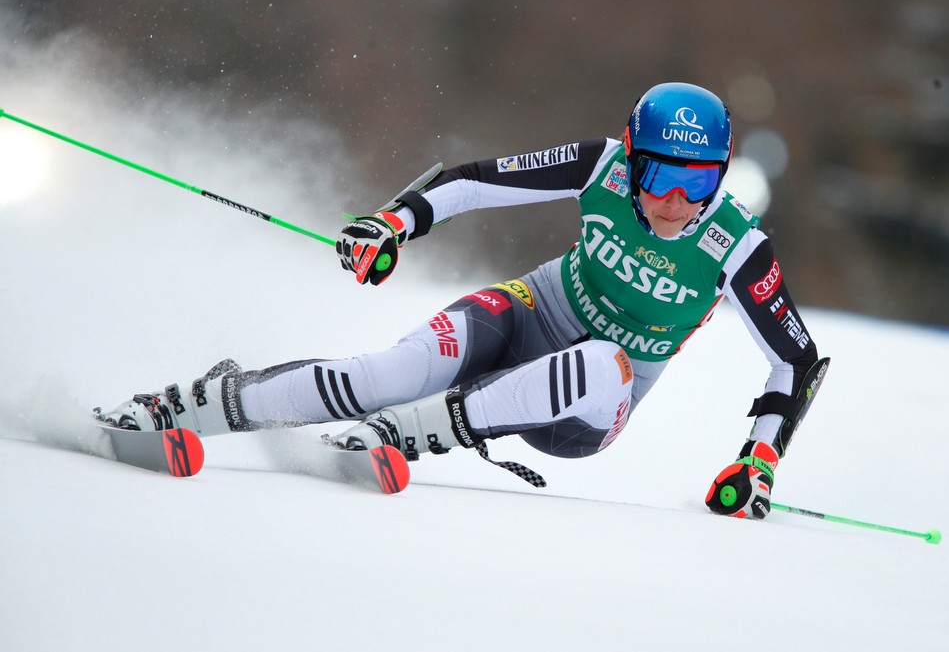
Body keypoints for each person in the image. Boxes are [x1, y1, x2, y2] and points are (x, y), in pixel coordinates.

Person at [101, 82, 828, 518]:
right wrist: (396, 221)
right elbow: (482, 179)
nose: (675, 199)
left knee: (606, 360)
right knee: (386, 373)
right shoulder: (602, 166)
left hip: (586, 408)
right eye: (661, 174)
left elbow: (793, 360)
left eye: (698, 181)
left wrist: (757, 460)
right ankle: (186, 405)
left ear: (721, 175)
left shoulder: (735, 245)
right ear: (634, 158)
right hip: (529, 310)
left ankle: (404, 434)